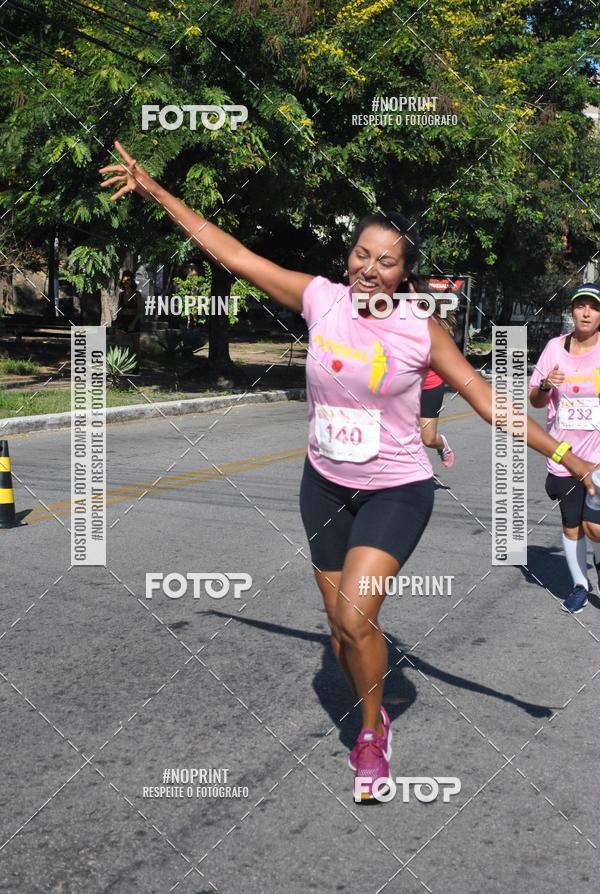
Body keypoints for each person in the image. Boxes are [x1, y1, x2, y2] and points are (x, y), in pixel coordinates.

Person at [99, 141, 597, 801]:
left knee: (358, 619)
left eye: (385, 261)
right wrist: (155, 189)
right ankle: (372, 697)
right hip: (323, 485)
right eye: (361, 254)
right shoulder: (320, 300)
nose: (368, 268)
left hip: (395, 489)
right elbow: (233, 255)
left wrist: (568, 455)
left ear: (404, 274)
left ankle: (370, 731)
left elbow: (489, 405)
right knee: (339, 626)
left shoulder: (422, 333)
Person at [529, 282, 600, 614]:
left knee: (595, 527)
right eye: (581, 306)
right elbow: (536, 400)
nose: (586, 312)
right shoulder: (555, 349)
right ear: (572, 311)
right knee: (572, 524)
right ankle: (579, 586)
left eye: (594, 307)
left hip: (598, 457)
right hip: (562, 456)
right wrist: (545, 385)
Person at [419, 304, 457, 467]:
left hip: (429, 385)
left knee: (428, 438)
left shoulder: (431, 325)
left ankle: (441, 444)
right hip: (401, 386)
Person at [113, 269, 143, 359]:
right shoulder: (121, 295)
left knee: (136, 346)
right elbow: (119, 309)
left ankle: (136, 366)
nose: (126, 282)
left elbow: (140, 311)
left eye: (128, 280)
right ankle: (116, 364)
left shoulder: (137, 294)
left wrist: (133, 323)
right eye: (124, 280)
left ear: (132, 281)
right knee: (118, 343)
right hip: (122, 320)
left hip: (134, 319)